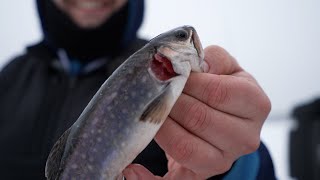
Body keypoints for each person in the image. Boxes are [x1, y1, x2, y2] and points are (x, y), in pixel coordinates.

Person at [0, 0, 275, 179]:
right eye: (181, 38)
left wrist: (234, 164)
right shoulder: (8, 79)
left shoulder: (170, 80)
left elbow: (251, 165)